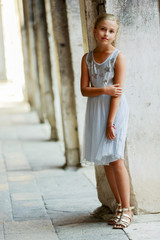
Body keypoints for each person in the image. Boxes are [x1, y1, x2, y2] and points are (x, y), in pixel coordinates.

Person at [80, 13, 134, 229]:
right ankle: (118, 205)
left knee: (116, 158)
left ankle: (128, 210)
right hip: (95, 110)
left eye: (111, 31)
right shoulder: (86, 58)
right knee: (106, 162)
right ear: (95, 31)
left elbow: (117, 93)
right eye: (103, 29)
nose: (106, 34)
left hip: (115, 111)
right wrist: (104, 89)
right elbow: (84, 90)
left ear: (115, 35)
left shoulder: (118, 57)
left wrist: (110, 122)